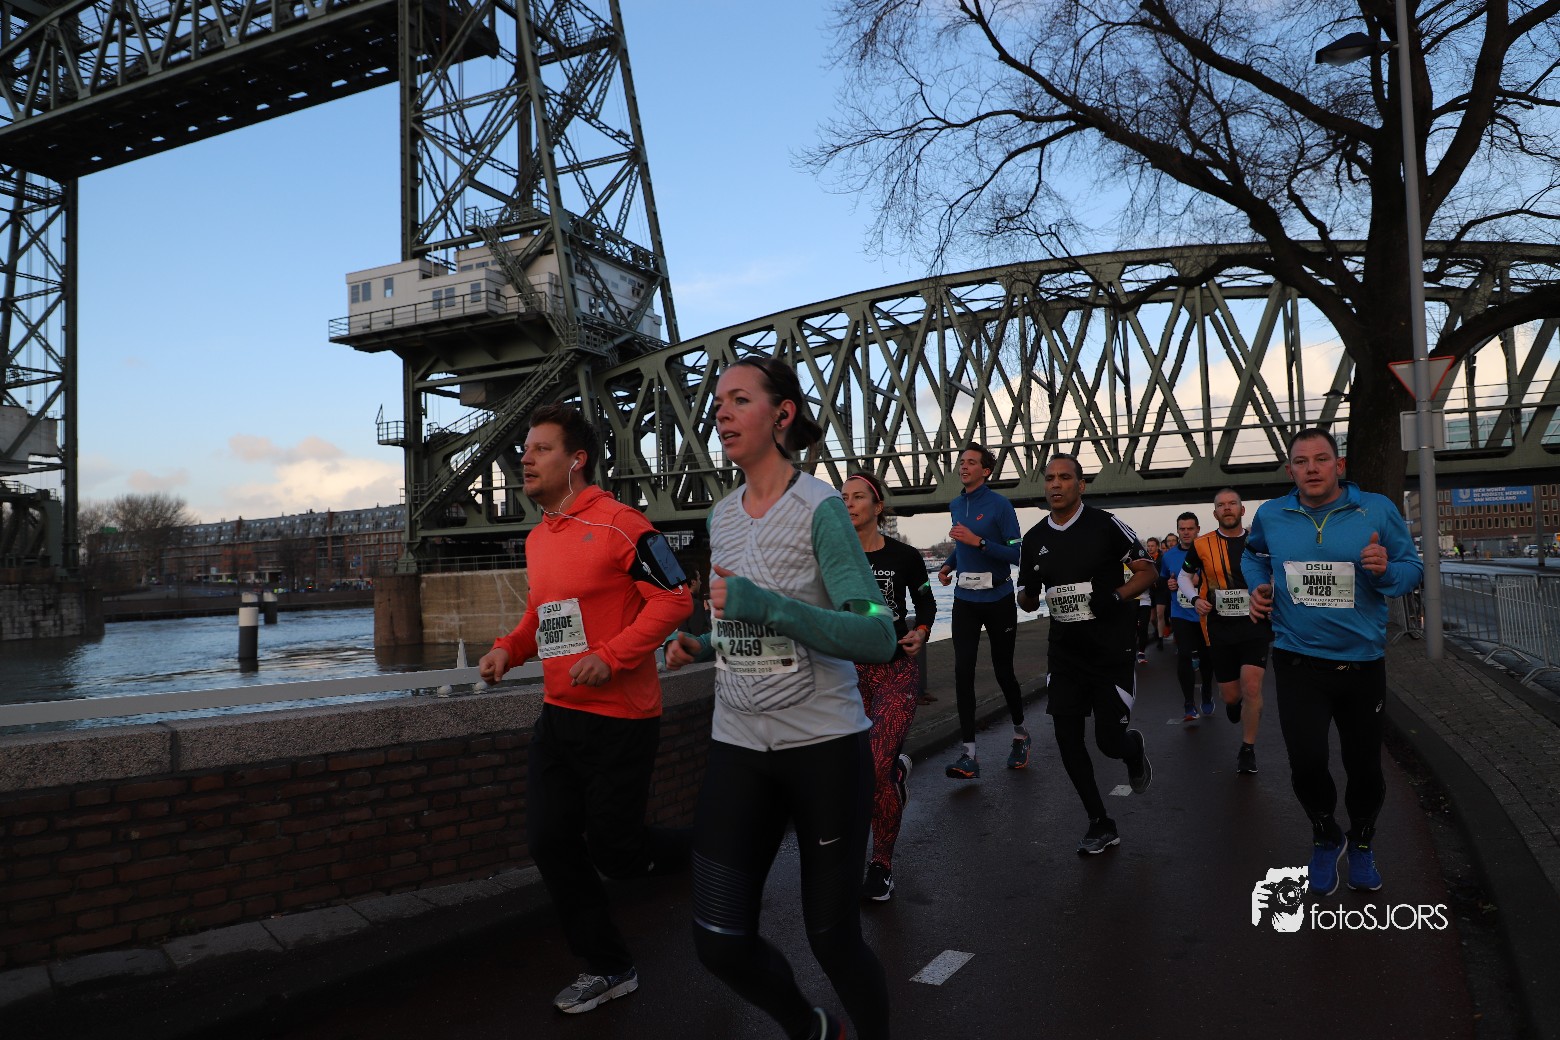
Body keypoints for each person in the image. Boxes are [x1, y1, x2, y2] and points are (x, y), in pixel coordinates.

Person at [664, 355, 898, 1040]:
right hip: (738, 744)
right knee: (718, 939)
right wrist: (704, 643)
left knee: (832, 938)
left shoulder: (820, 507)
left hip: (823, 746)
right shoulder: (721, 515)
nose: (721, 412)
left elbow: (877, 633)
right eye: (718, 402)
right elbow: (742, 622)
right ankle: (813, 1029)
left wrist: (768, 606)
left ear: (783, 414)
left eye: (740, 399)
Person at [475, 404, 692, 1015]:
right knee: (549, 840)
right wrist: (508, 649)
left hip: (621, 720)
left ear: (577, 460)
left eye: (541, 449)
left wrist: (613, 656)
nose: (525, 458)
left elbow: (674, 599)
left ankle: (713, 851)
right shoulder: (539, 537)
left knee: (618, 854)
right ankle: (609, 966)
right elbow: (543, 617)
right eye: (525, 449)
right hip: (559, 715)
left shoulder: (623, 524)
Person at [1244, 428, 1422, 896]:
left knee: (1363, 767)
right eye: (1301, 462)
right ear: (1290, 471)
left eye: (1321, 459)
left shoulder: (1376, 510)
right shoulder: (1272, 514)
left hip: (1361, 665)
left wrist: (1386, 570)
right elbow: (1253, 555)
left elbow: (1411, 570)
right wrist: (1257, 587)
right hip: (1297, 662)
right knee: (1306, 763)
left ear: (1338, 465)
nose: (1312, 469)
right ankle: (1326, 834)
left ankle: (1361, 840)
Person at [1016, 454, 1157, 854]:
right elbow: (1026, 595)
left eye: (1065, 477)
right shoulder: (1034, 539)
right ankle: (1100, 821)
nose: (1055, 484)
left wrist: (1115, 596)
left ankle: (1133, 749)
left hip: (1110, 650)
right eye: (1049, 478)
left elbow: (1148, 572)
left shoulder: (1106, 525)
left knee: (1109, 742)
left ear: (1081, 485)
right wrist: (1028, 595)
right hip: (1065, 653)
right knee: (1066, 737)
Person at [841, 471, 936, 902]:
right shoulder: (835, 558)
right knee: (855, 772)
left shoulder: (905, 556)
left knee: (876, 767)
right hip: (849, 675)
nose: (848, 503)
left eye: (858, 496)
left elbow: (925, 602)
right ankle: (895, 773)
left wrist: (922, 631)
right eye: (843, 497)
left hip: (895, 671)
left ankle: (881, 865)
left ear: (878, 507)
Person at [937, 443, 1028, 779]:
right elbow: (962, 546)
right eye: (961, 462)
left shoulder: (1000, 505)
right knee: (963, 671)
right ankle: (969, 754)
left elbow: (1017, 554)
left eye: (971, 462)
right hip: (965, 600)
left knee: (1003, 671)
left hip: (998, 598)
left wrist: (981, 542)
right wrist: (948, 565)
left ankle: (1020, 734)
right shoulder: (956, 504)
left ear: (986, 471)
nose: (963, 466)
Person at [1183, 488, 1271, 775]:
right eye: (1221, 505)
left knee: (1252, 686)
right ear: (1215, 513)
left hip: (1255, 623)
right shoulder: (1202, 544)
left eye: (1233, 503)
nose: (1227, 508)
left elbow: (1277, 573)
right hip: (1219, 628)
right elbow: (1184, 576)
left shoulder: (1259, 543)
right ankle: (1234, 704)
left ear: (1242, 510)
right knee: (1231, 696)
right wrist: (1194, 599)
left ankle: (1248, 749)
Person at [1160, 513, 1216, 721]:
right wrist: (1169, 585)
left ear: (1197, 529)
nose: (1186, 533)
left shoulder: (1207, 551)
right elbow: (1164, 579)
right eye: (1182, 529)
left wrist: (1200, 581)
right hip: (1181, 613)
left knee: (1207, 658)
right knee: (1184, 655)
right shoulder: (1169, 556)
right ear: (1177, 530)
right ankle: (1188, 703)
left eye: (1190, 529)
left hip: (1205, 614)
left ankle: (1207, 692)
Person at [1145, 536, 1168, 650]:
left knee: (1160, 614)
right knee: (1152, 618)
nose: (1150, 548)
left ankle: (1160, 639)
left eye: (1152, 546)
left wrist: (1157, 581)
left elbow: (1165, 573)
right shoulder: (1145, 558)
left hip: (1161, 590)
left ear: (1157, 546)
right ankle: (1157, 630)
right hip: (1151, 591)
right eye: (1148, 546)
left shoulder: (1162, 558)